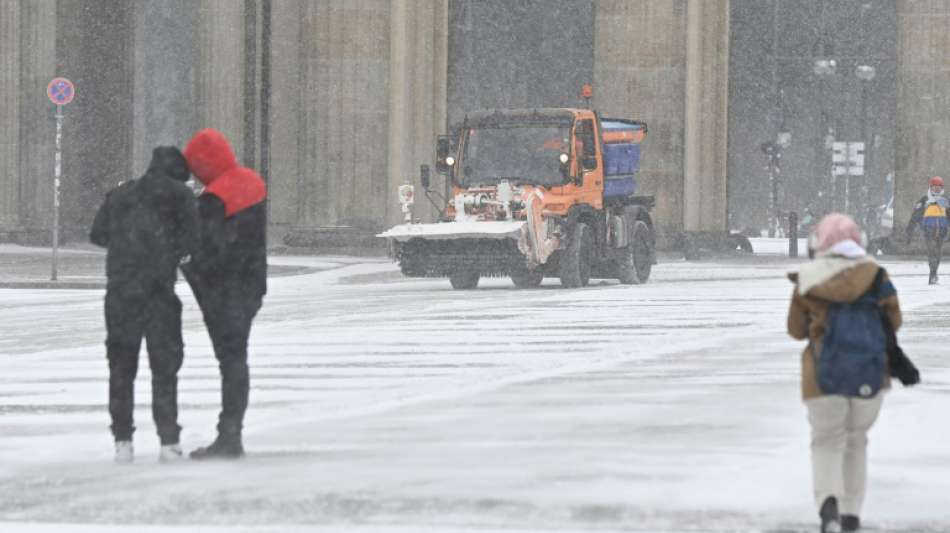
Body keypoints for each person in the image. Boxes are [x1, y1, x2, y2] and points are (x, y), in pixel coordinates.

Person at [787, 213, 901, 533]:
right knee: (856, 441)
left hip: (822, 378)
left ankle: (828, 508)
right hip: (869, 374)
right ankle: (852, 514)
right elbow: (894, 322)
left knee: (825, 441)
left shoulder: (808, 277)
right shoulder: (877, 276)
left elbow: (796, 329)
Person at [89, 147, 198, 464]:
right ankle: (168, 441)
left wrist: (126, 244)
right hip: (158, 292)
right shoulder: (180, 196)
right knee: (165, 368)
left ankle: (122, 441)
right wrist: (169, 251)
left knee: (121, 367)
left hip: (121, 292)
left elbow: (97, 234)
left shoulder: (121, 194)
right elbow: (193, 240)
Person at [181, 128, 267, 459]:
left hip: (224, 290)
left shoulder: (215, 198)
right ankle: (231, 432)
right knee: (236, 359)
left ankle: (229, 435)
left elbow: (206, 248)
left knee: (230, 361)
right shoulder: (250, 182)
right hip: (250, 285)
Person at [904, 175, 949, 284]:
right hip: (928, 231)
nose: (937, 188)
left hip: (942, 231)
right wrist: (909, 231)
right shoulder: (924, 200)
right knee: (931, 251)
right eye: (934, 186)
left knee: (937, 253)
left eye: (939, 186)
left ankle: (934, 273)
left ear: (942, 187)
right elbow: (915, 216)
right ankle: (932, 275)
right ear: (930, 187)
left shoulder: (946, 200)